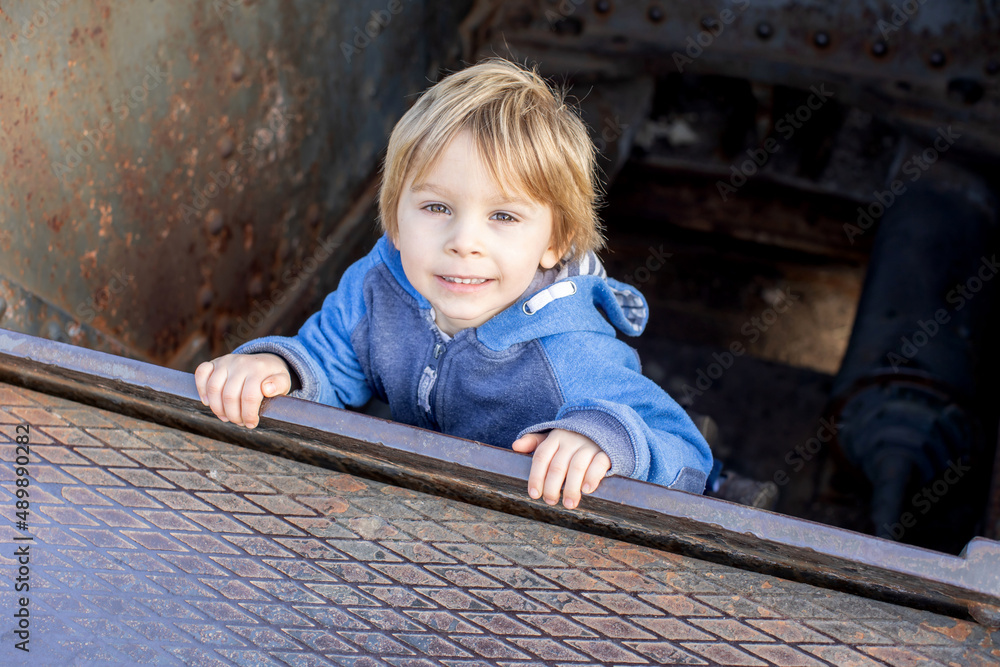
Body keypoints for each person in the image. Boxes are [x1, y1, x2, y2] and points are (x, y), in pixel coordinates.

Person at [195, 58, 713, 509]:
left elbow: (686, 461)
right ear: (395, 220)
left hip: (531, 539)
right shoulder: (380, 287)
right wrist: (277, 368)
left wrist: (607, 441)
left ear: (555, 243)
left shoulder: (570, 355)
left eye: (504, 217)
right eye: (437, 207)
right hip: (427, 511)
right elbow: (330, 361)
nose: (464, 241)